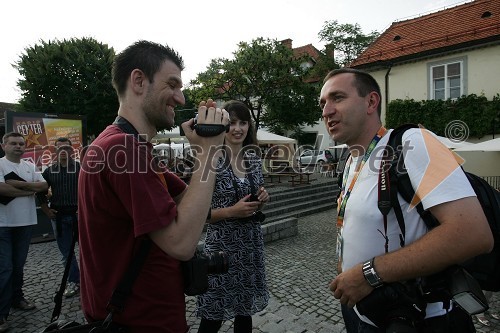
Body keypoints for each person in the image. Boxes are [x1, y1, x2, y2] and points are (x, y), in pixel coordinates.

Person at [319, 68, 494, 332]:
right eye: (323, 103)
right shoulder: (351, 160)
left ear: (371, 102)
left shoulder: (412, 142)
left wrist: (369, 274)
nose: (327, 111)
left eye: (338, 98)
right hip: (365, 313)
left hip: (422, 320)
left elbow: (473, 233)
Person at [78, 40, 229, 332]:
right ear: (138, 81)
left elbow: (191, 201)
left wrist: (201, 150)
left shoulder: (124, 145)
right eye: (172, 84)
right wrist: (209, 154)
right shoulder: (123, 149)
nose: (181, 98)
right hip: (140, 321)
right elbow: (181, 244)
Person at [196, 100, 270, 333]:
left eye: (243, 123)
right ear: (223, 126)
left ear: (249, 126)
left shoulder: (254, 160)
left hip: (249, 247)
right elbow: (196, 214)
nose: (238, 129)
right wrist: (231, 211)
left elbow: (254, 195)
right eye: (232, 123)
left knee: (244, 314)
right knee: (212, 317)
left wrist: (262, 197)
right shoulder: (211, 160)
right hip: (221, 251)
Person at [0, 132, 48, 332]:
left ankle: (16, 298)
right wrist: (31, 190)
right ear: (3, 145)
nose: (18, 146)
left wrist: (20, 185)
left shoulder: (29, 166)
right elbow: (2, 190)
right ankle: (1, 313)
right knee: (5, 268)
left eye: (21, 143)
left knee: (18, 266)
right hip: (2, 224)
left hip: (26, 222)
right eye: (13, 143)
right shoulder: (0, 164)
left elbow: (44, 185)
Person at [37, 137, 80, 298]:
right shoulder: (49, 171)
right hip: (59, 217)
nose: (64, 151)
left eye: (67, 148)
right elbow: (40, 192)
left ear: (72, 150)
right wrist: (45, 210)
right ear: (55, 151)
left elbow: (90, 190)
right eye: (60, 148)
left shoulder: (81, 168)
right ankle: (74, 281)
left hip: (79, 215)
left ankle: (92, 281)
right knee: (66, 254)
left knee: (89, 250)